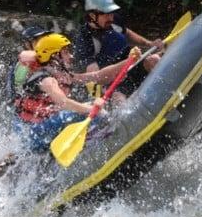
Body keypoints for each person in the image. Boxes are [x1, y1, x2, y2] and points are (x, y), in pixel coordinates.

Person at [13, 32, 141, 152]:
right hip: (32, 134)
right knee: (86, 110)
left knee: (92, 106)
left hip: (44, 129)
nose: (71, 56)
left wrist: (128, 61)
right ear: (54, 55)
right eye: (66, 52)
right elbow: (64, 103)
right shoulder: (46, 79)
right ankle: (95, 140)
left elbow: (98, 75)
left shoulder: (64, 75)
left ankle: (92, 136)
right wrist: (91, 109)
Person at [73, 0, 164, 97]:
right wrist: (103, 99)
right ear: (92, 16)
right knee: (118, 99)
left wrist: (149, 43)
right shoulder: (84, 40)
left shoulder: (113, 20)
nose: (111, 18)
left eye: (111, 13)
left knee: (154, 60)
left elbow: (127, 33)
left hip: (131, 66)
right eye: (107, 14)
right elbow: (97, 77)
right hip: (113, 81)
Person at [6, 26, 52, 104]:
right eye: (38, 40)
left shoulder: (43, 58)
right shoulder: (23, 63)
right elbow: (20, 86)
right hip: (28, 109)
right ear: (27, 44)